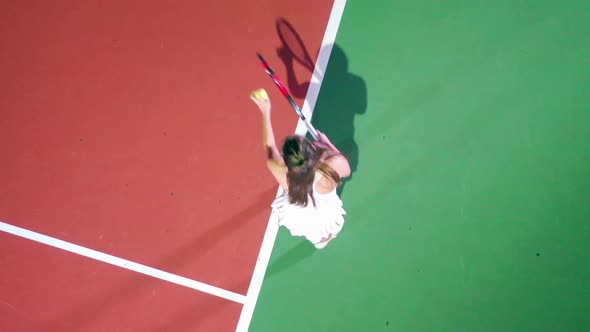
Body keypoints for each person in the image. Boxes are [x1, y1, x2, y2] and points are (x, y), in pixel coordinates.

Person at [250, 88, 351, 249]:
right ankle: (328, 236)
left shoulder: (283, 174)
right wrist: (328, 147)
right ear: (311, 150)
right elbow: (346, 171)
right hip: (328, 214)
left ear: (288, 162)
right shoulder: (333, 165)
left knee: (312, 229)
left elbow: (269, 147)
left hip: (303, 212)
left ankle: (320, 241)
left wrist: (265, 111)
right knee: (330, 223)